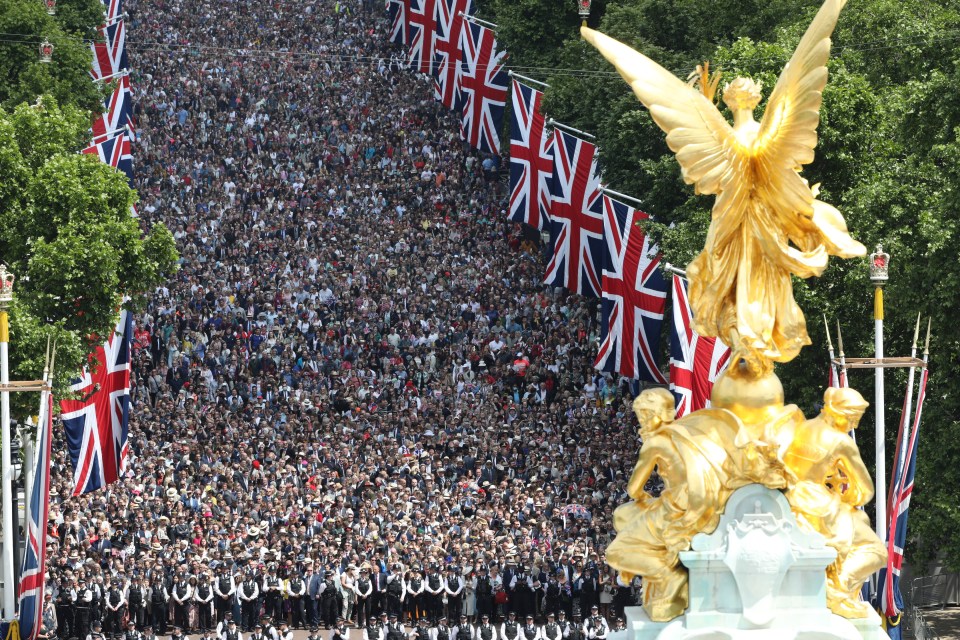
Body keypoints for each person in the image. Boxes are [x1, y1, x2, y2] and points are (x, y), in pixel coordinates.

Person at [783, 387, 887, 618]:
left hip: (787, 498)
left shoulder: (798, 424)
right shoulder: (841, 442)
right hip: (816, 505)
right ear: (842, 413)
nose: (855, 426)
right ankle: (837, 589)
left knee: (859, 522)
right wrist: (848, 498)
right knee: (876, 550)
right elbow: (865, 490)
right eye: (854, 419)